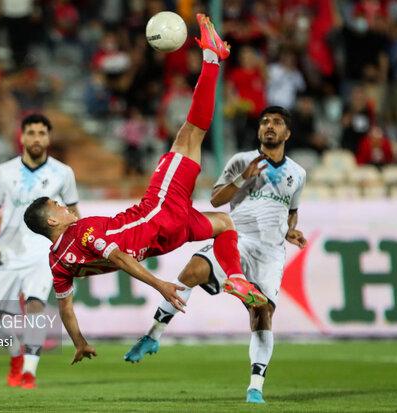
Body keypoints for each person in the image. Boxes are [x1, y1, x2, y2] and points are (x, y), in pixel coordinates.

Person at [24, 14, 266, 366]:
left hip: (166, 237)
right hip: (158, 211)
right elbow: (120, 258)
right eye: (57, 206)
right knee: (190, 134)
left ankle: (238, 280)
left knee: (225, 225)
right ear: (52, 221)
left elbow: (66, 309)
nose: (64, 206)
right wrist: (161, 285)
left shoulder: (57, 263)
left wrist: (79, 342)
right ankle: (212, 59)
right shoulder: (82, 231)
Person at [124, 105, 307, 405]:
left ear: (287, 132)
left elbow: (292, 212)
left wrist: (290, 231)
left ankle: (255, 387)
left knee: (262, 313)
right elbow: (215, 198)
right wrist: (242, 179)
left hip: (270, 253)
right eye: (264, 122)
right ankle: (153, 336)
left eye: (276, 123)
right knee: (192, 271)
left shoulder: (297, 173)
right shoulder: (241, 160)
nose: (269, 127)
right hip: (237, 237)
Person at [0, 113, 80, 390]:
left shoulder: (63, 173)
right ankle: (15, 355)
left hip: (42, 253)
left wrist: (75, 249)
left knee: (36, 306)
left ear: (48, 137)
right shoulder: (4, 171)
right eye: (31, 133)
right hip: (7, 252)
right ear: (22, 137)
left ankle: (29, 373)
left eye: (41, 133)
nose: (36, 138)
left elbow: (73, 213)